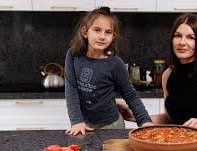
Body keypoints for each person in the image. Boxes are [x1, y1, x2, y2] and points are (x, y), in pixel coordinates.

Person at [119, 13, 197, 131]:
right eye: (178, 36)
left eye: (190, 37)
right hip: (176, 142)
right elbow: (169, 119)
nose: (182, 42)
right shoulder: (167, 75)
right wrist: (136, 117)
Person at [64, 7, 152, 136]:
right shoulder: (72, 55)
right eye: (97, 30)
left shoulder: (115, 64)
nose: (102, 36)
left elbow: (130, 95)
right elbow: (71, 89)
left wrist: (145, 121)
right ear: (85, 32)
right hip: (83, 125)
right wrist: (77, 121)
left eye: (108, 32)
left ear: (113, 36)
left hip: (112, 126)